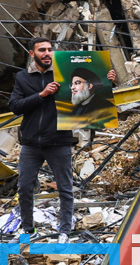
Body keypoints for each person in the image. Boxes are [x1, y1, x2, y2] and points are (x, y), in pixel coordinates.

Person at [7, 39, 112, 242]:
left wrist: (107, 81)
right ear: (32, 53)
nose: (47, 53)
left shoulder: (65, 74)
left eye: (50, 50)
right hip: (31, 143)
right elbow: (15, 105)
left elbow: (90, 90)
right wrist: (42, 95)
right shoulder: (22, 77)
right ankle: (28, 230)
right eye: (42, 50)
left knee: (65, 187)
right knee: (25, 187)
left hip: (59, 140)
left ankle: (65, 230)